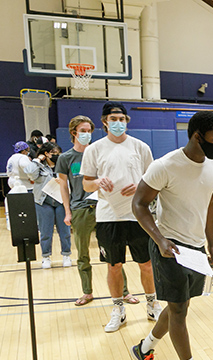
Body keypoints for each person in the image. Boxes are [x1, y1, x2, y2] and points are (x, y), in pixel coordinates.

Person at [130, 111, 213, 360]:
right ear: (197, 136)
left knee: (177, 306)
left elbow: (209, 205)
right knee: (179, 311)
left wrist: (211, 242)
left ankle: (144, 348)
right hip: (169, 248)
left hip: (196, 249)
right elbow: (139, 205)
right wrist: (159, 240)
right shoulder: (165, 166)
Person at [82, 101, 161, 332]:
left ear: (127, 121)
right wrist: (97, 182)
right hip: (109, 215)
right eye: (113, 119)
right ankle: (118, 309)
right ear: (105, 122)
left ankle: (152, 303)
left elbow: (153, 181)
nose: (118, 123)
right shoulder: (94, 149)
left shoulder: (141, 147)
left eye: (122, 119)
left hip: (138, 214)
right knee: (113, 265)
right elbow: (86, 184)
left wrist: (139, 186)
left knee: (146, 264)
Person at [56, 115, 139, 306]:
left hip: (106, 207)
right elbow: (63, 187)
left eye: (89, 131)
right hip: (80, 209)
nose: (87, 134)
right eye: (83, 131)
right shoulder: (65, 158)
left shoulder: (101, 152)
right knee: (83, 253)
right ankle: (87, 292)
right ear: (73, 132)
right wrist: (67, 212)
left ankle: (124, 292)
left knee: (115, 253)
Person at [28, 142, 71, 269]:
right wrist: (37, 160)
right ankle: (46, 257)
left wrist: (64, 181)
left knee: (64, 230)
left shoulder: (63, 165)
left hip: (61, 201)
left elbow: (72, 178)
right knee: (45, 231)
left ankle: (66, 255)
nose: (56, 156)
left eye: (58, 153)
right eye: (53, 153)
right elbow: (30, 174)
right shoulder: (39, 166)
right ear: (46, 154)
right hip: (43, 202)